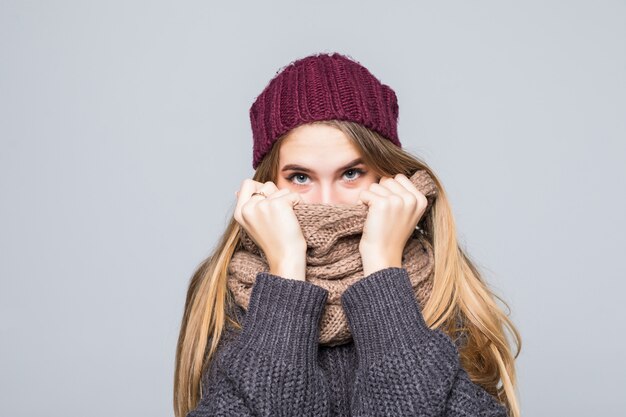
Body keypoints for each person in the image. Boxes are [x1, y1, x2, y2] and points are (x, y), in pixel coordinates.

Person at [174, 52, 522, 417]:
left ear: (388, 177)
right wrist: (285, 275)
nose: (328, 203)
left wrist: (385, 275)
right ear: (267, 185)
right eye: (300, 177)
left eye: (351, 173)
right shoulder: (221, 290)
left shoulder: (446, 283)